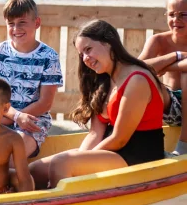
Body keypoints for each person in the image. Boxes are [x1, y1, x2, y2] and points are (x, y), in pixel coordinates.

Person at [30, 20, 165, 189]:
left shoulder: (136, 79)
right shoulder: (104, 81)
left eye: (88, 49)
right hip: (113, 152)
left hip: (138, 156)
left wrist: (79, 163)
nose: (85, 58)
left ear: (108, 43)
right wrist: (81, 158)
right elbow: (95, 133)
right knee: (35, 170)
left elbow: (120, 139)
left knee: (61, 164)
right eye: (81, 54)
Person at [0, 0, 63, 159]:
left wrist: (18, 118)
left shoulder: (48, 56)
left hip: (33, 121)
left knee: (13, 153)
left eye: (22, 23)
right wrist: (14, 116)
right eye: (11, 24)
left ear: (37, 23)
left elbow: (45, 103)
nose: (16, 29)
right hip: (0, 116)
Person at [139, 0, 187, 155]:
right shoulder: (158, 41)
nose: (176, 20)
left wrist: (161, 66)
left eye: (183, 15)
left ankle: (184, 144)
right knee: (139, 79)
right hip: (168, 106)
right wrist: (177, 56)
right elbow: (137, 67)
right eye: (172, 14)